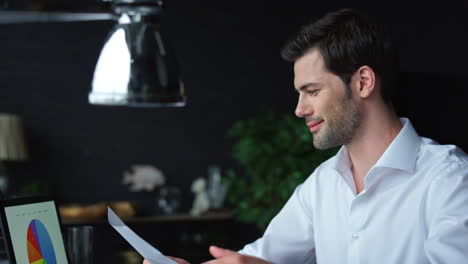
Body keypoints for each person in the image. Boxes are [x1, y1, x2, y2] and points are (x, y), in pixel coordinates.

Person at [145, 8, 468, 264]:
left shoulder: (450, 180)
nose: (300, 109)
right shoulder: (322, 183)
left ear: (363, 82)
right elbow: (259, 259)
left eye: (312, 91)